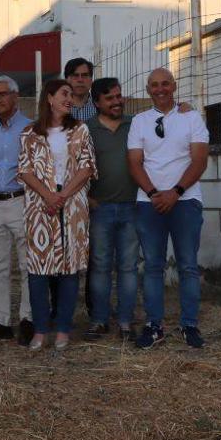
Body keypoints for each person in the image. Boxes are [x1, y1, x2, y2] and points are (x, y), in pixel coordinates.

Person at [128, 68, 210, 349]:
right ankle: (155, 326)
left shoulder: (191, 117)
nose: (160, 89)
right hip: (149, 203)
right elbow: (135, 162)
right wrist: (154, 194)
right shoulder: (139, 121)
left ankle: (189, 325)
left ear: (174, 86)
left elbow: (199, 160)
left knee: (188, 266)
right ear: (148, 89)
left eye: (165, 84)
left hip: (185, 201)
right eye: (154, 85)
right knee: (152, 266)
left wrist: (175, 193)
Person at [17, 80, 96, 351]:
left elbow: (86, 168)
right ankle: (40, 330)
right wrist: (48, 196)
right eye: (64, 94)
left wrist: (62, 196)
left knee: (69, 269)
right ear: (49, 98)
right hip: (40, 205)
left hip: (71, 204)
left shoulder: (80, 130)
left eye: (72, 95)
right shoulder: (30, 133)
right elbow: (25, 170)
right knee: (38, 270)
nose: (70, 99)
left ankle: (63, 328)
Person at [0, 75, 35, 345]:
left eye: (3, 94)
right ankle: (1, 320)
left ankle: (27, 318)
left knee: (26, 264)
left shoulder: (30, 128)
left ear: (15, 97)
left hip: (20, 201)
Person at [84, 77, 140, 341]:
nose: (117, 101)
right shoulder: (87, 129)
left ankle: (126, 321)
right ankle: (99, 320)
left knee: (128, 267)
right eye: (110, 98)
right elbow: (76, 166)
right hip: (100, 209)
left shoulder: (136, 124)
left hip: (132, 207)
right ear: (97, 102)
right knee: (100, 266)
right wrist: (88, 199)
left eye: (119, 96)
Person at [65, 58, 97, 122]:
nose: (80, 80)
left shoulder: (100, 107)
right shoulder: (59, 109)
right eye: (75, 75)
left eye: (85, 75)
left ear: (91, 80)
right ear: (67, 80)